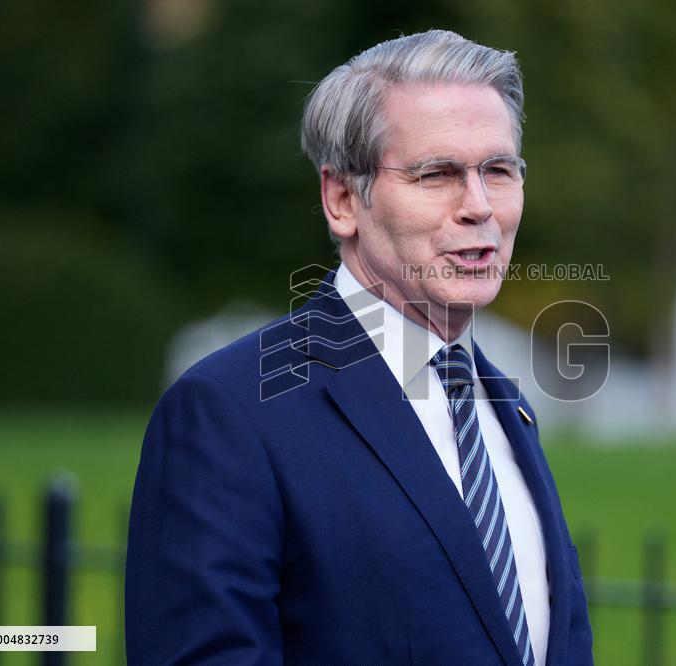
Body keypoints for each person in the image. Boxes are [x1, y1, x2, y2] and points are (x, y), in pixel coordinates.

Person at [125, 29, 593, 665]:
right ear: (343, 199)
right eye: (438, 174)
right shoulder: (230, 412)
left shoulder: (502, 405)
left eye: (499, 171)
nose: (480, 206)